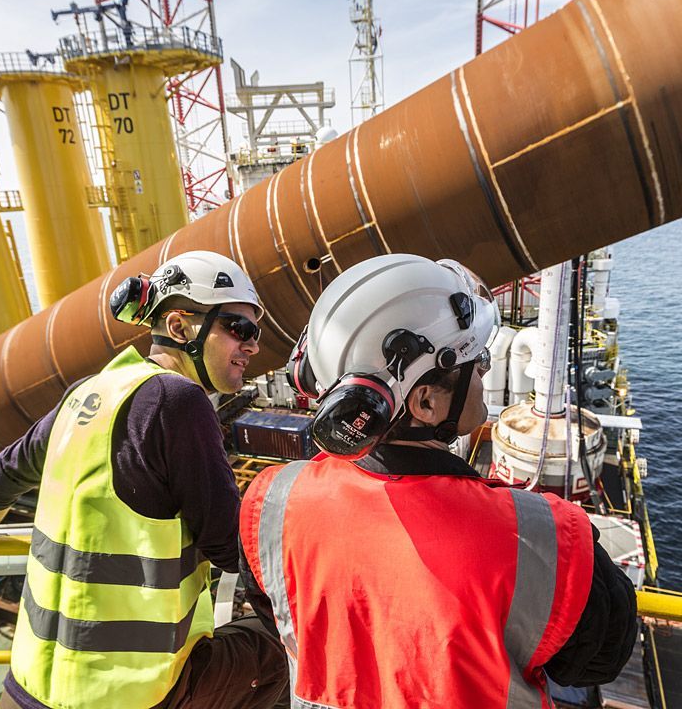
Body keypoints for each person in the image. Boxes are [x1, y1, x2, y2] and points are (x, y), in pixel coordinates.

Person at [239, 254, 637, 708]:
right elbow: (599, 659)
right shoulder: (542, 535)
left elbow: (277, 615)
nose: (485, 371)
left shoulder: (272, 501)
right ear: (426, 403)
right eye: (477, 361)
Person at [0, 250, 289, 709]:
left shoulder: (87, 392)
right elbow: (232, 548)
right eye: (240, 328)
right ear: (178, 327)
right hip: (131, 695)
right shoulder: (178, 400)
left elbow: (0, 475)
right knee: (279, 645)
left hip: (27, 687)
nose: (253, 346)